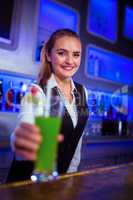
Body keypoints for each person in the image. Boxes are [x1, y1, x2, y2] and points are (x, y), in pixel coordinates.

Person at [6, 28, 89, 183]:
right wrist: (20, 139)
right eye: (61, 53)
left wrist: (70, 175)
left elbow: (76, 142)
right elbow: (26, 122)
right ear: (49, 55)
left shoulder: (83, 91)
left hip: (59, 182)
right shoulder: (36, 91)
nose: (70, 61)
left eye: (76, 55)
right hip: (26, 183)